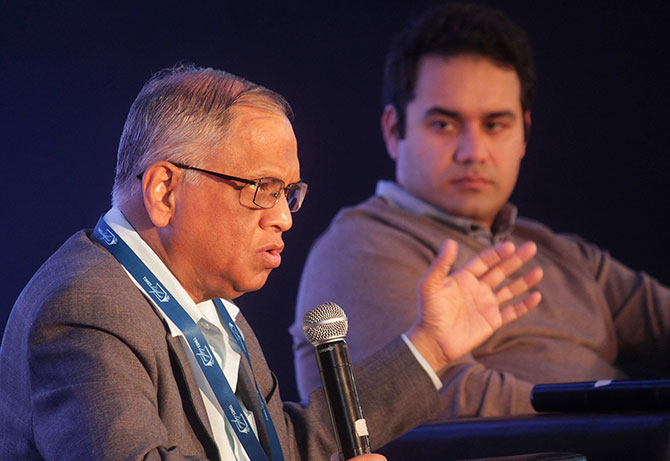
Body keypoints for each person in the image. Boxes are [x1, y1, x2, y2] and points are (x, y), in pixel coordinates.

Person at [0, 65, 542, 460]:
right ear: (165, 189)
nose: (284, 217)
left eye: (290, 192)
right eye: (262, 188)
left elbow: (286, 449)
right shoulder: (85, 307)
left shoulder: (210, 307)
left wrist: (430, 347)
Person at [291, 2, 670, 419]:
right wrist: (639, 423)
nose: (473, 152)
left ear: (524, 133)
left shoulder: (558, 251)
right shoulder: (359, 248)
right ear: (394, 130)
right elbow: (447, 404)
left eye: (494, 125)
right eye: (444, 125)